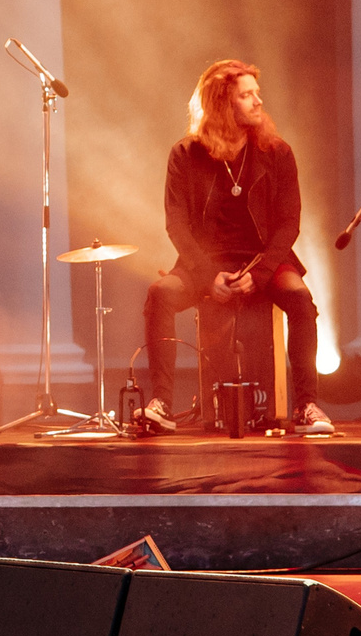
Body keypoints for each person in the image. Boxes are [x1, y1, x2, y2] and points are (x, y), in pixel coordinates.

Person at [139, 58, 331, 435]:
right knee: (160, 294)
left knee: (301, 300)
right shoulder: (185, 154)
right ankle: (161, 403)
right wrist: (208, 275)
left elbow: (288, 223)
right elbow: (176, 224)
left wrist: (260, 274)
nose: (258, 101)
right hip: (204, 263)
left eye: (256, 93)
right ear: (223, 104)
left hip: (264, 260)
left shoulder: (277, 152)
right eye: (246, 95)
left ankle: (306, 405)